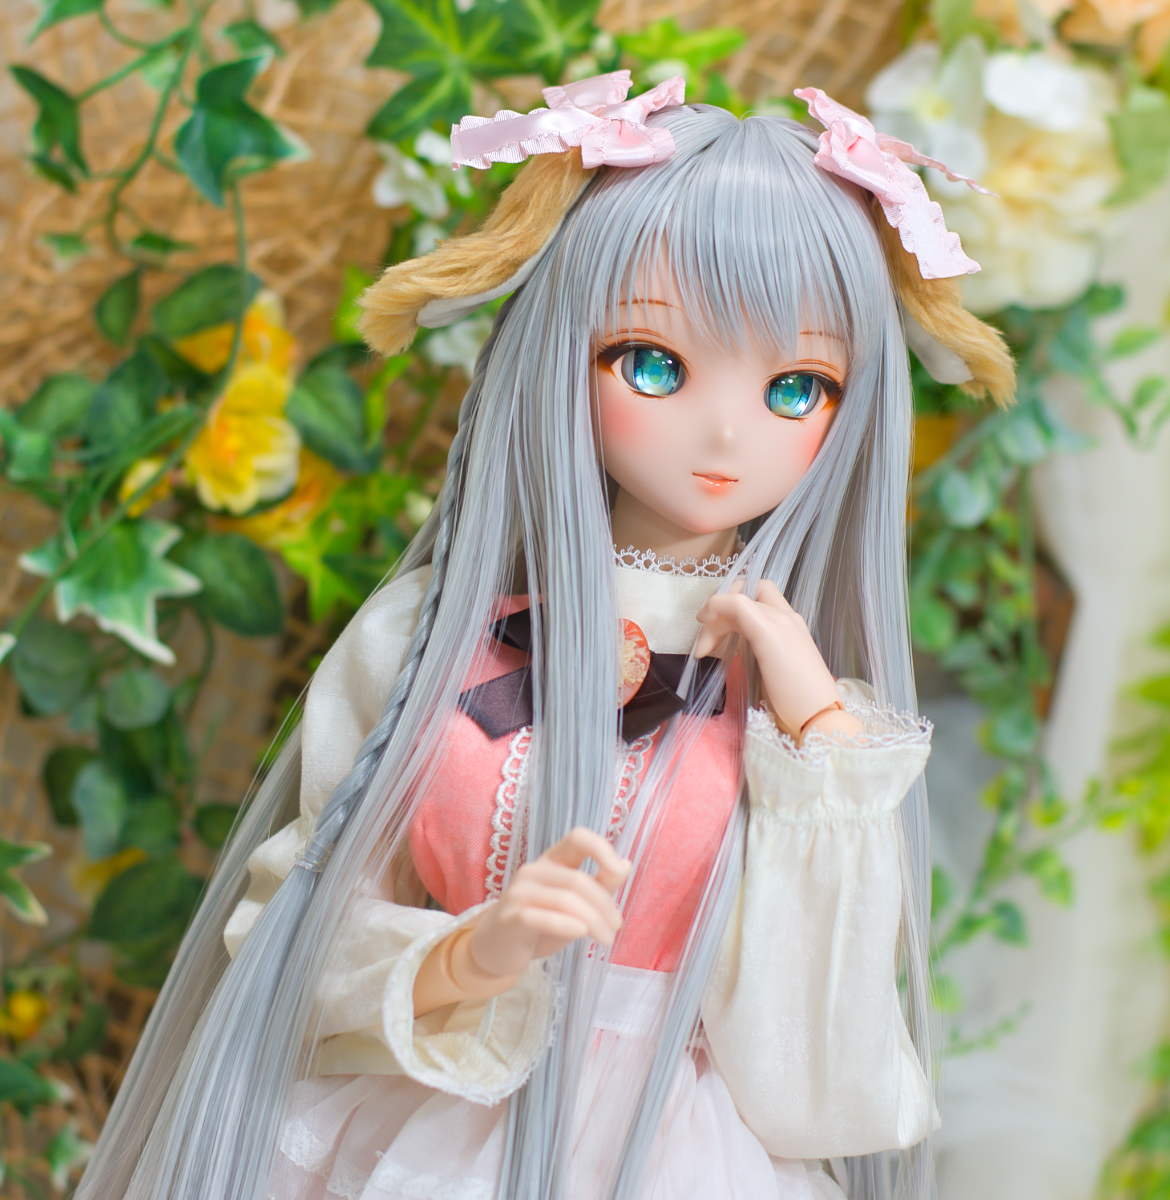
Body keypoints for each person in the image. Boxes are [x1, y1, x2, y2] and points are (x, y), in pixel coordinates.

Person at [75, 76, 1014, 1200]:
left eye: (796, 387)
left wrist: (819, 741)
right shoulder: (432, 639)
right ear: (564, 352)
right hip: (418, 1120)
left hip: (672, 1157)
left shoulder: (808, 713)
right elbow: (289, 933)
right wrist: (467, 956)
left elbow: (814, 1060)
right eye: (655, 364)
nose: (724, 432)